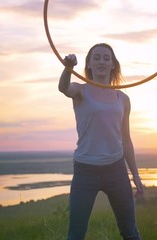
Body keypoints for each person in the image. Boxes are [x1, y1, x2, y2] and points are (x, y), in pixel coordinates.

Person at [58, 43, 144, 240]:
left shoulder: (123, 99)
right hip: (85, 171)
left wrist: (136, 176)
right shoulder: (80, 91)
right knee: (76, 235)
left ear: (113, 64)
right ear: (88, 64)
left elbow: (126, 140)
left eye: (106, 58)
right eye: (96, 58)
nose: (101, 62)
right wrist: (68, 68)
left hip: (116, 169)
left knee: (130, 232)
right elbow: (63, 88)